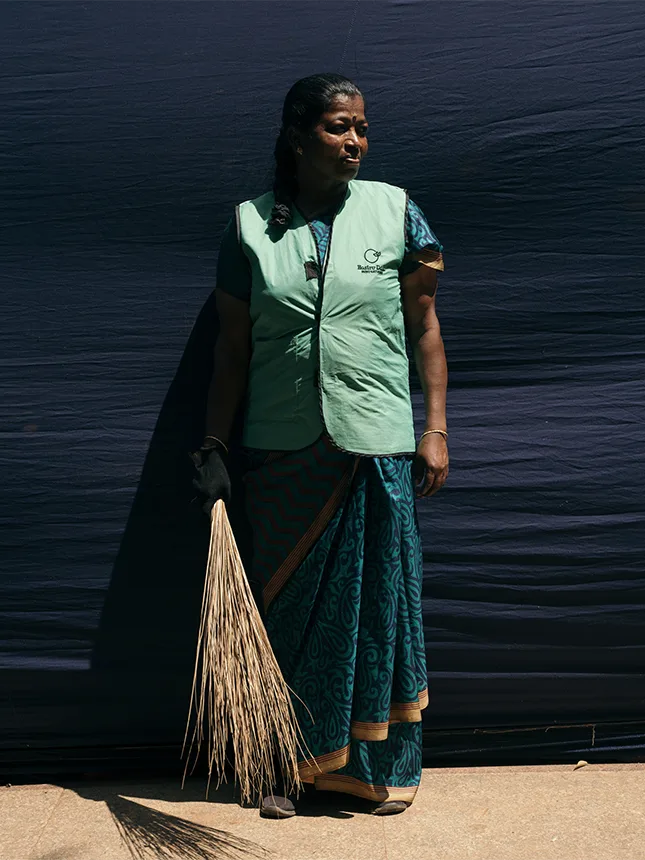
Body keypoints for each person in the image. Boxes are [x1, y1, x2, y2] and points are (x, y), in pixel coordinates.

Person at [193, 73, 448, 817]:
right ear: (299, 137)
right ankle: (281, 767)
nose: (355, 142)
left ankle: (373, 773)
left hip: (376, 447)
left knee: (378, 607)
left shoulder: (395, 211)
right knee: (287, 610)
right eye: (339, 128)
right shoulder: (249, 226)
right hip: (281, 449)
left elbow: (424, 328)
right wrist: (212, 444)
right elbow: (231, 351)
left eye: (363, 128)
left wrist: (433, 427)